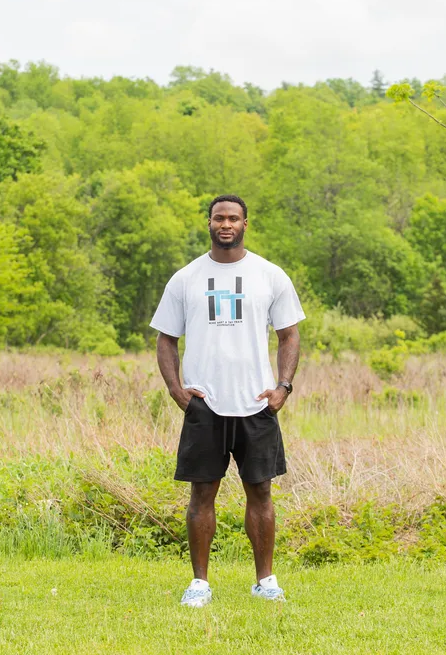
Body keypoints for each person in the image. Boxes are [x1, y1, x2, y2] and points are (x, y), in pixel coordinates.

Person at [150, 194, 305, 608]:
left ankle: (266, 581)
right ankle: (199, 583)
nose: (226, 224)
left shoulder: (269, 276)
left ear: (245, 224)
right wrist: (176, 389)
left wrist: (283, 387)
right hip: (206, 405)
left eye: (233, 218)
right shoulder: (186, 278)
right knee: (202, 495)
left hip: (257, 403)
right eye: (219, 217)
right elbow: (166, 338)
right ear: (208, 223)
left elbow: (289, 335)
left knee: (261, 494)